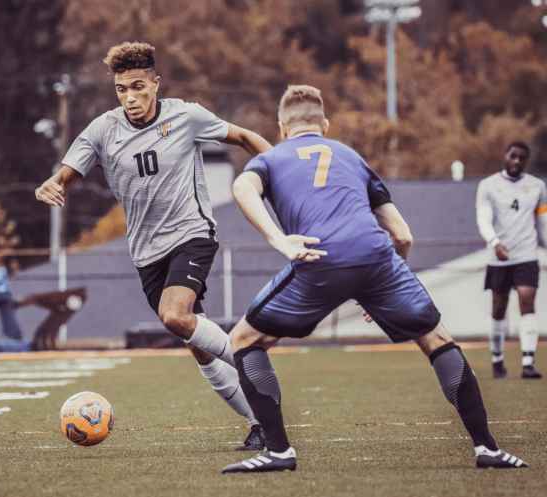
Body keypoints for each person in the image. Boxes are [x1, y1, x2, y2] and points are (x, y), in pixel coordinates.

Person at [221, 85, 529, 473]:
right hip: (378, 257)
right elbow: (402, 234)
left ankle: (279, 451)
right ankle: (488, 448)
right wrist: (382, 286)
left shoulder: (274, 157)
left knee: (244, 340)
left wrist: (278, 239)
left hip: (319, 256)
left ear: (282, 127)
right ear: (325, 124)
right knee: (436, 340)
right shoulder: (351, 156)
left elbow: (241, 186)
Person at [35, 41, 272, 450]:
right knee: (196, 344)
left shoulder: (187, 116)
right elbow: (67, 172)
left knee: (174, 316)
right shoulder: (103, 130)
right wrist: (52, 185)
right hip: (146, 252)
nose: (130, 97)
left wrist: (285, 171)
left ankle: (251, 359)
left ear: (156, 84)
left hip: (192, 233)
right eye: (122, 89)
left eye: (138, 86)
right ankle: (260, 423)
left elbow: (245, 136)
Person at [476, 142, 545, 379]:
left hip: (526, 255)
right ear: (505, 156)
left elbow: (543, 220)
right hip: (499, 257)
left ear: (526, 161)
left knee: (527, 300)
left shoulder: (537, 186)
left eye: (522, 158)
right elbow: (483, 218)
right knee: (498, 308)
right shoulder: (488, 186)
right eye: (513, 156)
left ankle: (528, 362)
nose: (517, 161)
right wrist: (494, 242)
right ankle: (497, 359)